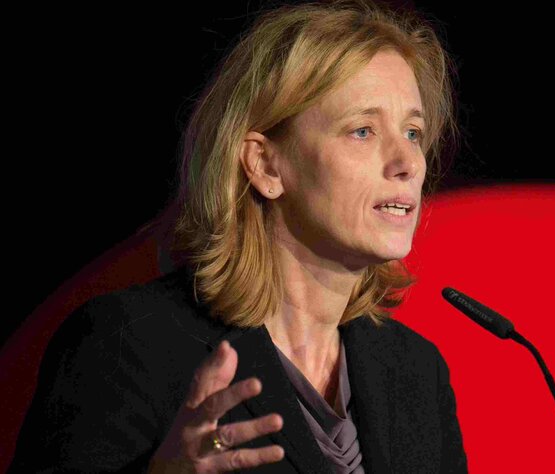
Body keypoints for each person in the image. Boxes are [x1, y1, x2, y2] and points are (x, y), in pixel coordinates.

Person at [12, 0, 465, 472]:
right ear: (265, 165)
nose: (407, 163)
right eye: (363, 130)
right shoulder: (128, 345)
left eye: (413, 133)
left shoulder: (416, 371)